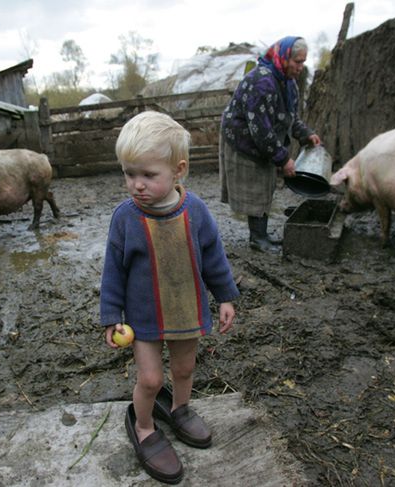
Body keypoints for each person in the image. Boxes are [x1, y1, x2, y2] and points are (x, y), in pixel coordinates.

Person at [100, 110, 239, 484]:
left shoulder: (195, 211)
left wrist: (225, 296)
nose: (137, 185)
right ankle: (144, 426)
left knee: (183, 369)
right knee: (149, 379)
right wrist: (112, 314)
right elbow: (113, 270)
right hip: (143, 318)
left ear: (178, 170)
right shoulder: (125, 218)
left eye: (148, 175)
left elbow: (213, 257)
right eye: (129, 174)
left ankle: (180, 408)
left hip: (186, 309)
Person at [220, 36, 322, 252]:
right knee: (255, 184)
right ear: (284, 58)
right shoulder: (262, 81)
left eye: (303, 62)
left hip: (261, 139)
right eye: (297, 61)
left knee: (266, 184)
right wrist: (283, 158)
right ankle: (257, 238)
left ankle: (261, 234)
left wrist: (305, 134)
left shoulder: (288, 83)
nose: (300, 67)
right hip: (244, 139)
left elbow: (289, 117)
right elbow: (260, 129)